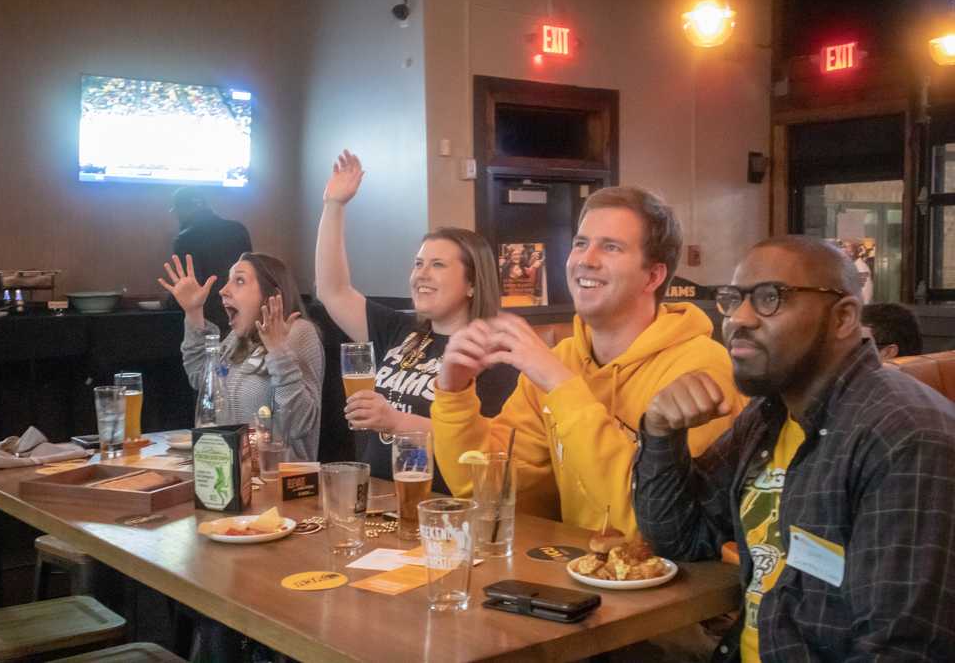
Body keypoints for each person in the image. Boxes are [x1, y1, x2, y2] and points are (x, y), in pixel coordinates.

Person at [634, 235, 955, 662]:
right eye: (733, 299)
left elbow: (903, 650)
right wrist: (660, 432)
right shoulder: (769, 416)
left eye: (771, 298)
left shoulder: (905, 437)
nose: (739, 319)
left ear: (843, 318)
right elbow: (682, 538)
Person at [432, 186, 744, 537]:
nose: (586, 259)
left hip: (677, 584)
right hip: (576, 578)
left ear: (653, 276)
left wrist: (562, 386)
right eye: (581, 243)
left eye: (611, 247)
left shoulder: (702, 368)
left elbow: (661, 525)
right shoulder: (562, 359)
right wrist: (454, 393)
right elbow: (486, 490)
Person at [315, 150, 518, 492]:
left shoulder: (493, 352)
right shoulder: (400, 330)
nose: (421, 274)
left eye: (438, 265)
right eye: (418, 264)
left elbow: (488, 446)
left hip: (442, 509)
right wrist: (333, 206)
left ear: (472, 283)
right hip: (380, 502)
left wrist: (396, 421)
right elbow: (332, 290)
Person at [158, 252, 323, 461]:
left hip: (278, 483)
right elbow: (202, 378)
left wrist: (278, 352)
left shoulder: (298, 332)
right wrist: (193, 312)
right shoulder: (237, 338)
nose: (224, 290)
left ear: (271, 296)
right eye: (228, 281)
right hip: (230, 476)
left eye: (239, 280)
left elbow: (300, 424)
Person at [170, 187, 253, 334]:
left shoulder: (186, 238)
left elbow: (190, 284)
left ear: (182, 209)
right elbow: (251, 273)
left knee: (209, 355)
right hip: (242, 309)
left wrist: (168, 304)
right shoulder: (238, 229)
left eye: (176, 211)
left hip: (208, 316)